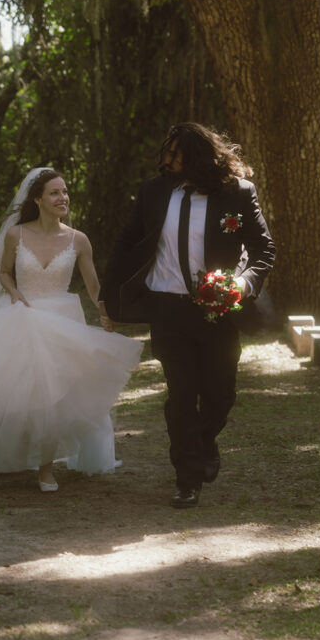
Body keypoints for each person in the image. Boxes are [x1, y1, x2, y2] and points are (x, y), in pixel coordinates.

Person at [0, 167, 142, 492]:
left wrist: (106, 312)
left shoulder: (78, 239)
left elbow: (95, 288)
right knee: (16, 393)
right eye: (54, 193)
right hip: (22, 318)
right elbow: (6, 273)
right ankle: (13, 454)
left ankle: (46, 468)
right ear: (37, 199)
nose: (63, 197)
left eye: (65, 192)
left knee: (56, 397)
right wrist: (13, 292)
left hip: (62, 323)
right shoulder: (17, 235)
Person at [100, 123, 275, 509]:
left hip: (217, 313)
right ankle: (187, 477)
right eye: (167, 152)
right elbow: (127, 242)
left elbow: (264, 251)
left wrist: (241, 286)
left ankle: (205, 439)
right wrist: (107, 294)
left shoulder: (238, 194)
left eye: (175, 154)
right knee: (180, 395)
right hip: (167, 309)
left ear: (197, 156)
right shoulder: (153, 192)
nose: (167, 160)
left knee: (220, 394)